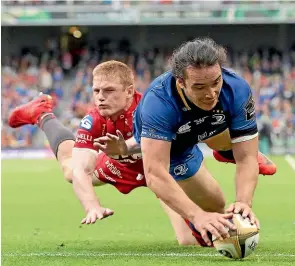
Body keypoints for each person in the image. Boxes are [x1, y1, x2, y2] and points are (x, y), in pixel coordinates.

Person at [7, 60, 214, 246]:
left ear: (129, 91)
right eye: (96, 91)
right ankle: (43, 114)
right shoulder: (94, 119)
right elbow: (81, 169)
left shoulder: (152, 109)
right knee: (71, 170)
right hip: (120, 166)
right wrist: (92, 205)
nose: (100, 98)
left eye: (109, 90)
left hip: (163, 170)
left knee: (189, 241)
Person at [95, 38, 266, 246]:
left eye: (215, 82)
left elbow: (247, 157)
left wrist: (244, 202)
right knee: (78, 173)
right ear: (181, 83)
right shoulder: (159, 103)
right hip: (162, 149)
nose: (211, 93)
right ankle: (45, 117)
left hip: (203, 130)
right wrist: (197, 216)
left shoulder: (236, 89)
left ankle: (223, 149)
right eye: (200, 86)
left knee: (221, 200)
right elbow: (156, 174)